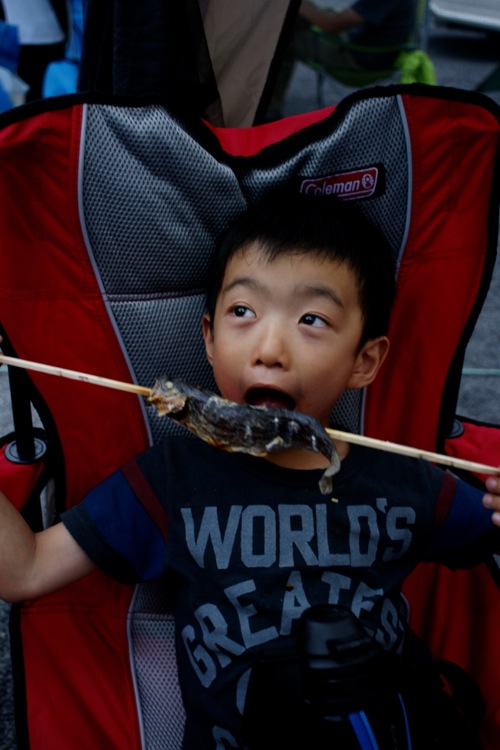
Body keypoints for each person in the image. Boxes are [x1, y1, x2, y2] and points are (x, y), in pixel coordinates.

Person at [0, 190, 499, 749]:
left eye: (312, 319)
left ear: (365, 361)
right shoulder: (172, 479)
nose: (269, 348)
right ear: (209, 339)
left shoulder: (404, 479)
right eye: (243, 312)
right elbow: (26, 571)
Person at [269, 0, 418, 117]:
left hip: (359, 60)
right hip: (369, 47)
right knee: (304, 12)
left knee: (283, 37)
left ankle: (271, 109)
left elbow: (331, 26)